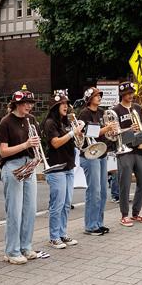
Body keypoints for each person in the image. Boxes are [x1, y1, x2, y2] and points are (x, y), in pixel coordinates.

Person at [0, 86, 45, 264]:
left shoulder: (31, 120)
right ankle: (12, 251)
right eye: (25, 103)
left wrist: (33, 147)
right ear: (17, 103)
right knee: (14, 211)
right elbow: (3, 151)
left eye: (30, 103)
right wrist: (25, 144)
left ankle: (26, 246)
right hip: (12, 166)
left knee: (30, 209)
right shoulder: (6, 122)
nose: (29, 107)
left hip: (29, 164)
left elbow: (36, 142)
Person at [42, 90, 81, 248]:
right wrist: (73, 133)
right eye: (62, 104)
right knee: (57, 205)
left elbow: (77, 141)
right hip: (56, 167)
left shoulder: (67, 121)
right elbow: (55, 143)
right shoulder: (50, 123)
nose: (66, 106)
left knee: (66, 204)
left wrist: (78, 133)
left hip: (69, 165)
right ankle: (53, 237)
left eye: (66, 104)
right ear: (55, 106)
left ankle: (63, 233)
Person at [112, 82, 142, 227]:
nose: (130, 95)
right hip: (125, 149)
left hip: (139, 148)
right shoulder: (115, 110)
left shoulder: (138, 108)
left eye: (131, 92)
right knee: (125, 183)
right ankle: (124, 215)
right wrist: (129, 129)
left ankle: (136, 213)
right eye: (127, 93)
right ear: (122, 95)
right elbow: (114, 134)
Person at [77, 87, 113, 235]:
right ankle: (91, 225)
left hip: (102, 153)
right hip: (90, 155)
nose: (99, 97)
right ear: (89, 98)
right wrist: (106, 129)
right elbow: (89, 133)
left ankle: (99, 222)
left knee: (103, 191)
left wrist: (112, 130)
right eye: (96, 95)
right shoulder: (84, 113)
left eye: (100, 95)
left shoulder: (102, 112)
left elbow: (105, 132)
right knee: (94, 191)